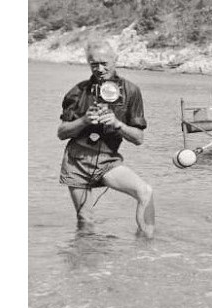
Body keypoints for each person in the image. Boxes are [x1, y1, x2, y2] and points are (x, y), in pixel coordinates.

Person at [57, 40, 155, 238]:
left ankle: (147, 247)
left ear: (115, 60)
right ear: (88, 63)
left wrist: (118, 124)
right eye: (94, 64)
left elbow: (139, 139)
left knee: (145, 192)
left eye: (104, 63)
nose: (100, 69)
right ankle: (87, 255)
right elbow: (62, 132)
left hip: (108, 160)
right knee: (85, 220)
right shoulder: (77, 91)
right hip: (77, 160)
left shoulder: (131, 91)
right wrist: (84, 121)